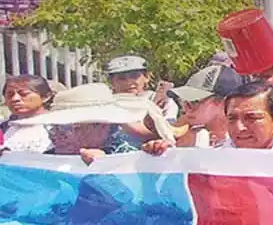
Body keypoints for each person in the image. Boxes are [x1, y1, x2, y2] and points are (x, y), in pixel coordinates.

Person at [8, 83, 144, 164]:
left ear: (102, 127)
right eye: (53, 127)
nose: (55, 135)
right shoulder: (49, 158)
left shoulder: (131, 158)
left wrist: (105, 166)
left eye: (64, 127)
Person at [144, 65, 245, 152]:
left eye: (195, 101)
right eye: (184, 101)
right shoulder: (193, 137)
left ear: (225, 102)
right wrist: (163, 152)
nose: (186, 108)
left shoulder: (245, 141)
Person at [105, 55, 179, 122]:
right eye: (121, 78)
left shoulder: (162, 101)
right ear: (112, 82)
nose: (129, 82)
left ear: (147, 77)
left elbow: (169, 130)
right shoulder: (104, 105)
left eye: (134, 76)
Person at [1, 74, 54, 153]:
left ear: (45, 97)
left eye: (23, 94)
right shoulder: (3, 128)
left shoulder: (59, 128)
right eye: (10, 95)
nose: (15, 99)